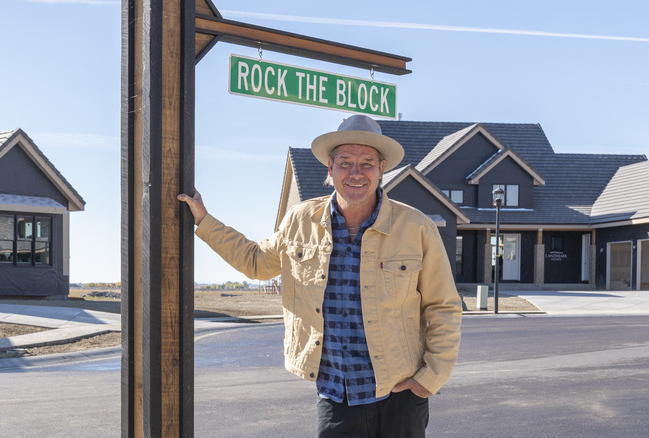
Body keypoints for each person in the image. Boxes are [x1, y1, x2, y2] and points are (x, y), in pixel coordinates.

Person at [178, 114, 462, 438]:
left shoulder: (416, 228)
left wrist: (430, 379)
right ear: (330, 168)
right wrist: (203, 219)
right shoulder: (300, 221)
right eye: (345, 162)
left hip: (400, 396)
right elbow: (256, 261)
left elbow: (443, 306)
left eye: (367, 163)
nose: (356, 172)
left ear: (382, 169)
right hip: (335, 395)